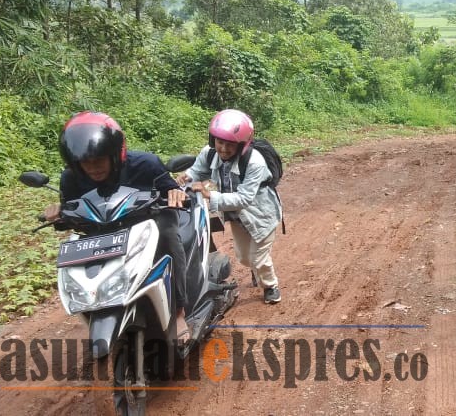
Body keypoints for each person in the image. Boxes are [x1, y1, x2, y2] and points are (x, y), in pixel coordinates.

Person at [43, 111, 193, 341]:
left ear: (116, 154)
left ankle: (179, 309)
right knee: (77, 251)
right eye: (85, 162)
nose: (92, 168)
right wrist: (58, 213)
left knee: (169, 236)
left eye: (99, 159)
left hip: (148, 221)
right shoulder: (71, 178)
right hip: (104, 233)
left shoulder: (146, 165)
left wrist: (174, 193)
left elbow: (172, 190)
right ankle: (96, 308)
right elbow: (70, 209)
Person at [176, 109, 282, 304]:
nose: (223, 149)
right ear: (212, 139)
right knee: (244, 258)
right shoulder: (209, 153)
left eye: (230, 144)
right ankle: (256, 270)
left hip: (261, 215)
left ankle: (271, 286)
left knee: (258, 259)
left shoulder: (255, 162)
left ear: (242, 145)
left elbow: (244, 199)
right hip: (236, 217)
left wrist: (210, 195)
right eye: (220, 142)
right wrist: (187, 176)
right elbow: (197, 170)